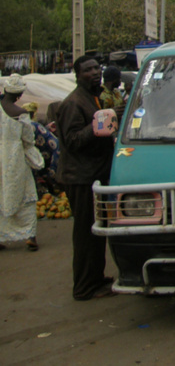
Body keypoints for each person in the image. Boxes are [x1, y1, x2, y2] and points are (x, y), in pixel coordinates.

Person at [57, 56, 115, 300]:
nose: (94, 73)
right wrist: (95, 127)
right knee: (85, 235)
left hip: (93, 175)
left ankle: (96, 279)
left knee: (96, 232)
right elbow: (71, 140)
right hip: (81, 178)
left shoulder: (93, 98)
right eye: (88, 70)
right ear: (77, 75)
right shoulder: (73, 102)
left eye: (96, 68)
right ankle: (84, 287)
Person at [0, 74, 40, 252]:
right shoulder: (21, 114)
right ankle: (30, 236)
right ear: (19, 95)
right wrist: (36, 160)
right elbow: (28, 140)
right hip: (15, 159)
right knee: (26, 194)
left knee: (2, 195)